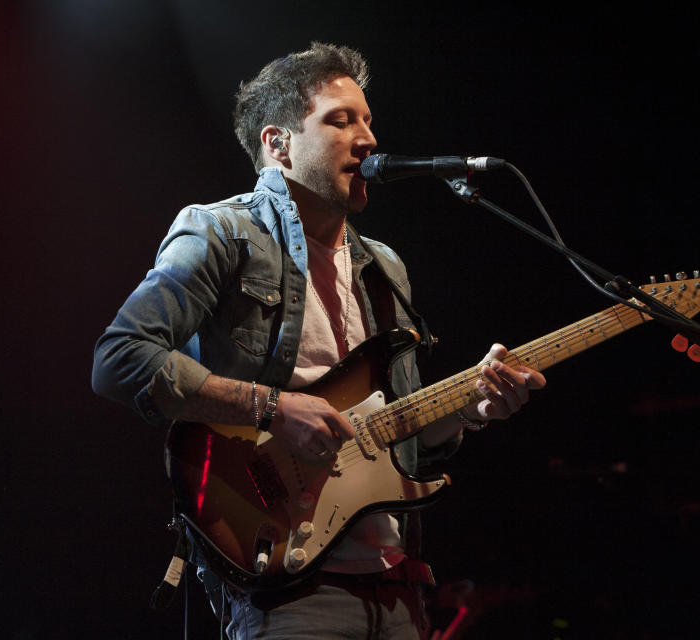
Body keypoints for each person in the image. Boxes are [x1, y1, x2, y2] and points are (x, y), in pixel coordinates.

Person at [92, 42, 545, 639]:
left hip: (397, 584)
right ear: (277, 145)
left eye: (368, 120)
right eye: (341, 120)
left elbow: (403, 440)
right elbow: (119, 359)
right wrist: (272, 407)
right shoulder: (222, 233)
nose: (368, 139)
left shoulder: (384, 268)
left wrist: (470, 409)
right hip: (286, 589)